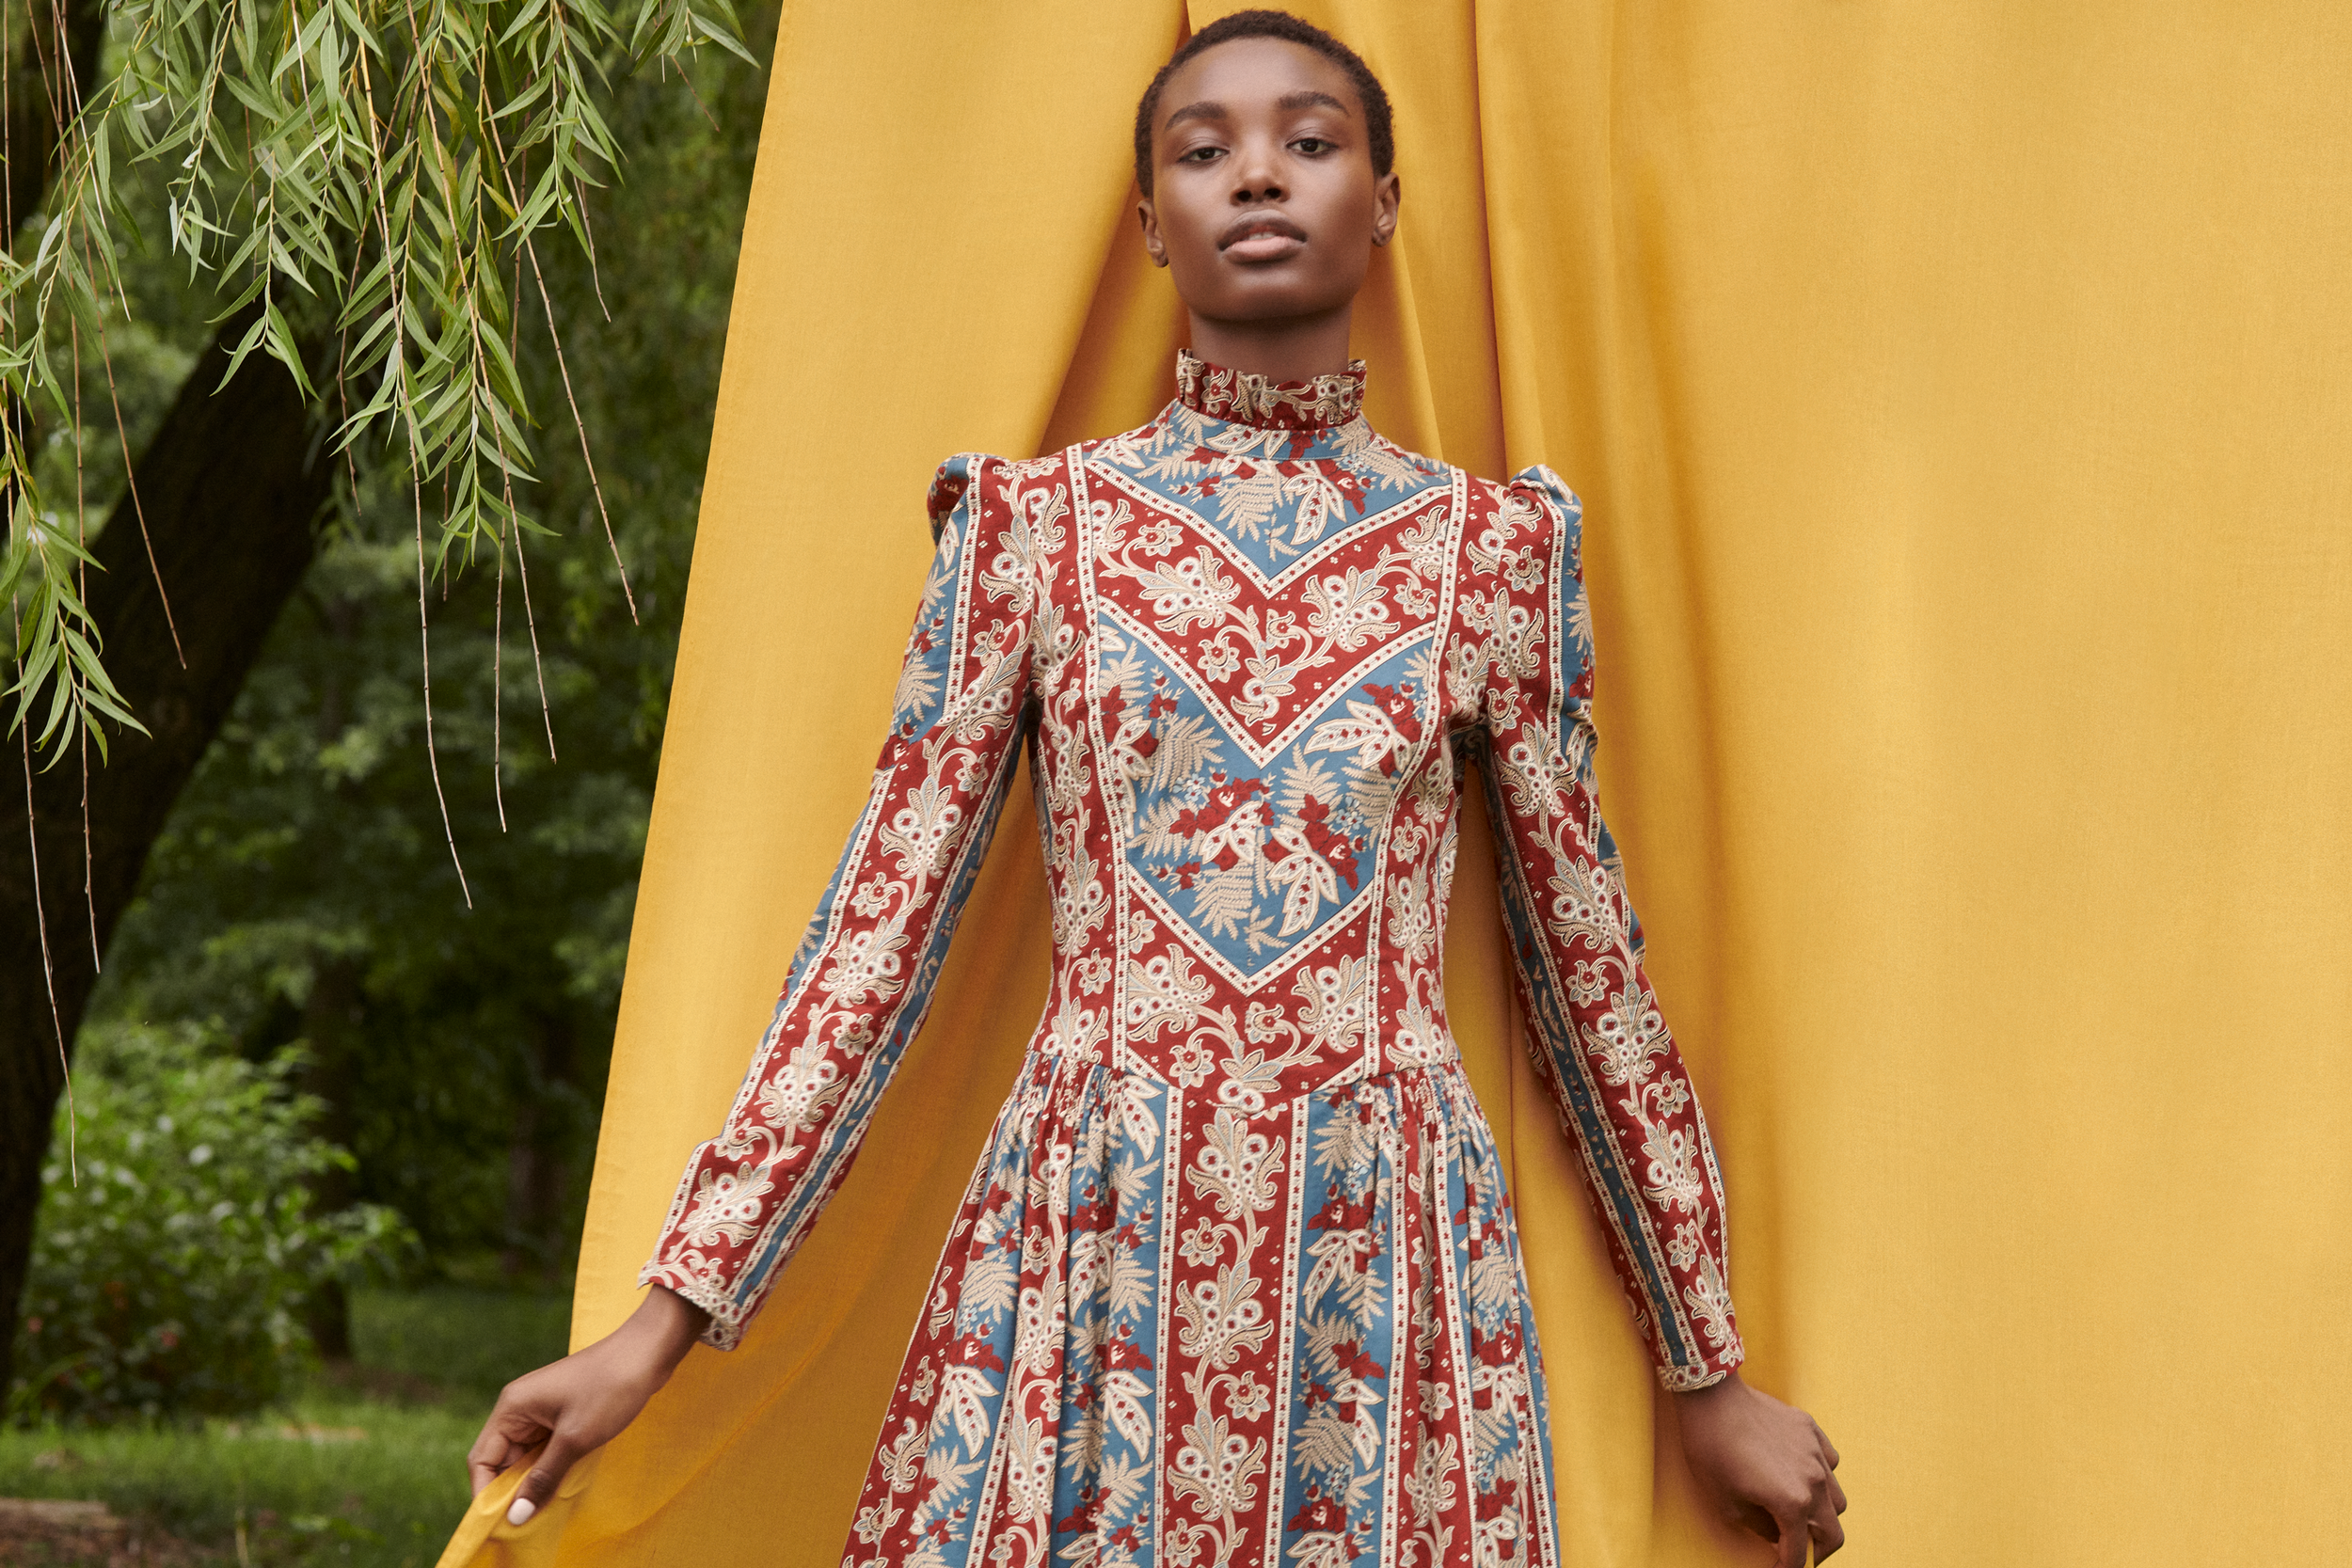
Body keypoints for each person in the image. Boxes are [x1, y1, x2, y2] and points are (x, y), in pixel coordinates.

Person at [468, 11, 1849, 1565]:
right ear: (1149, 225)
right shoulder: (1030, 534)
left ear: (1384, 201)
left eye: (1311, 142)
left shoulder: (1489, 556)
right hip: (1084, 1249)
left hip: (1386, 1269)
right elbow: (873, 939)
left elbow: (1590, 973)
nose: (1259, 176)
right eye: (1205, 152)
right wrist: (652, 1331)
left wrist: (1703, 1369)